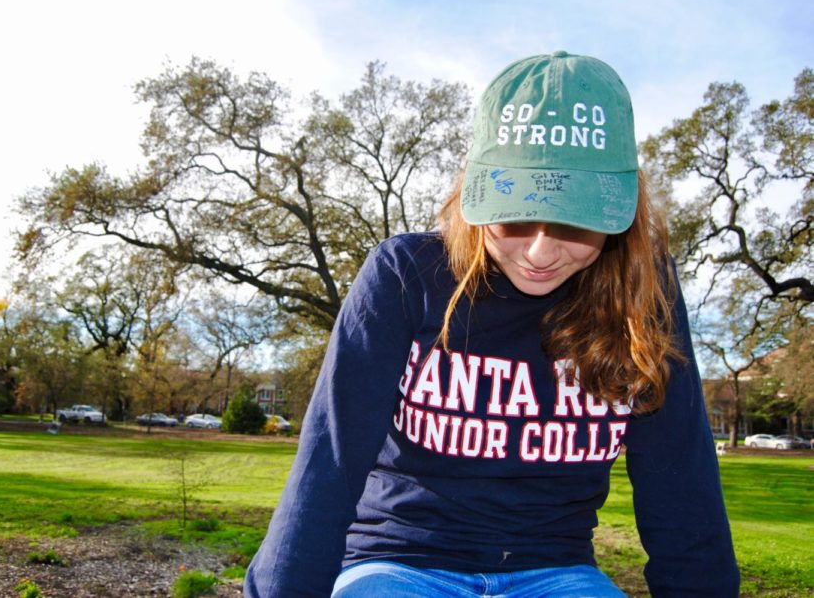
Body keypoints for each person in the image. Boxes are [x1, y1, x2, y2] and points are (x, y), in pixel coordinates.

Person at [245, 51, 739, 597]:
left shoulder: (644, 294)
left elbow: (682, 485)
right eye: (515, 216)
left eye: (578, 224)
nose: (541, 252)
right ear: (473, 194)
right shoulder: (406, 276)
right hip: (397, 561)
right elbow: (328, 465)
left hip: (558, 571)